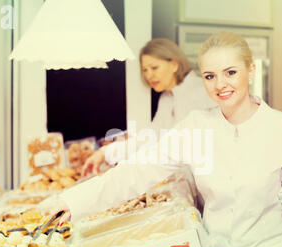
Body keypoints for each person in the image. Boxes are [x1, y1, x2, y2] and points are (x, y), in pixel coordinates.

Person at [45, 31, 282, 247]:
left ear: (250, 71)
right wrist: (74, 200)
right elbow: (140, 169)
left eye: (230, 72)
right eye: (210, 76)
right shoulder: (196, 127)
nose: (220, 84)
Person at [81, 38, 216, 176]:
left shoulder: (201, 91)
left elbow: (183, 147)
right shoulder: (166, 98)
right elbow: (151, 138)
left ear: (174, 65)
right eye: (145, 70)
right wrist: (105, 153)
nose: (149, 75)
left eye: (154, 68)